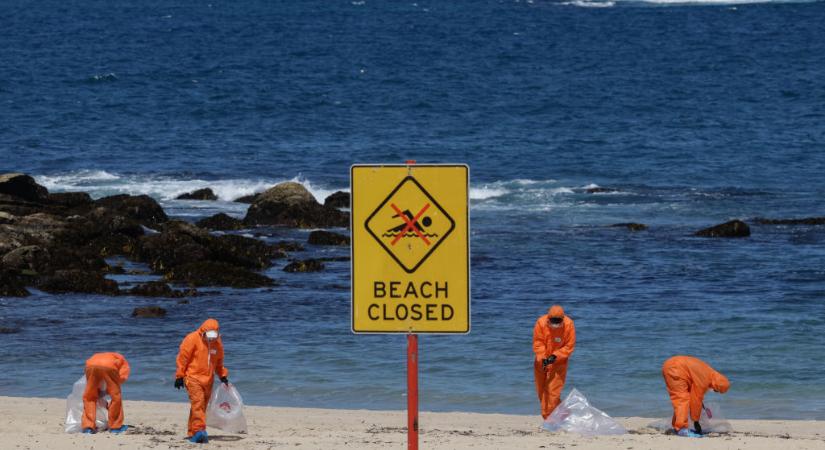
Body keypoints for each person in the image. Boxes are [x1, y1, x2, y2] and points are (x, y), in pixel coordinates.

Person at [175, 318, 230, 444]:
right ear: (203, 332)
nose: (210, 339)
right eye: (208, 336)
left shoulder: (217, 343)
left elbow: (219, 362)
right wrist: (179, 376)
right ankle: (200, 431)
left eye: (213, 336)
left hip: (208, 379)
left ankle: (192, 432)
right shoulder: (192, 339)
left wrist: (222, 376)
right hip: (193, 377)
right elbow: (183, 358)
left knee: (200, 407)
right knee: (198, 404)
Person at [662, 355, 730, 437]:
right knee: (682, 399)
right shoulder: (705, 380)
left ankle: (677, 426)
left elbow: (694, 394)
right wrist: (696, 421)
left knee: (682, 399)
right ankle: (681, 428)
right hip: (675, 368)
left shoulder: (709, 373)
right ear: (716, 385)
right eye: (716, 390)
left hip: (674, 366)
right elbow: (696, 400)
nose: (714, 391)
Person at [532, 305, 576, 420]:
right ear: (548, 319)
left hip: (559, 363)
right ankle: (564, 415)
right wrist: (543, 358)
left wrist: (554, 357)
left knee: (553, 393)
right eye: (553, 321)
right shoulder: (541, 322)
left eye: (558, 321)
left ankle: (549, 420)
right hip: (541, 362)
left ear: (562, 319)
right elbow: (538, 342)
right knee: (541, 392)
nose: (555, 324)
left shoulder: (569, 324)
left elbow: (569, 346)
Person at [82, 352, 130, 434]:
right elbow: (121, 377)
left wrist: (99, 390)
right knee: (115, 397)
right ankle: (115, 427)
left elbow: (91, 379)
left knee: (89, 397)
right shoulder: (121, 359)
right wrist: (110, 389)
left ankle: (88, 427)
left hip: (90, 364)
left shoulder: (99, 355)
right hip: (109, 365)